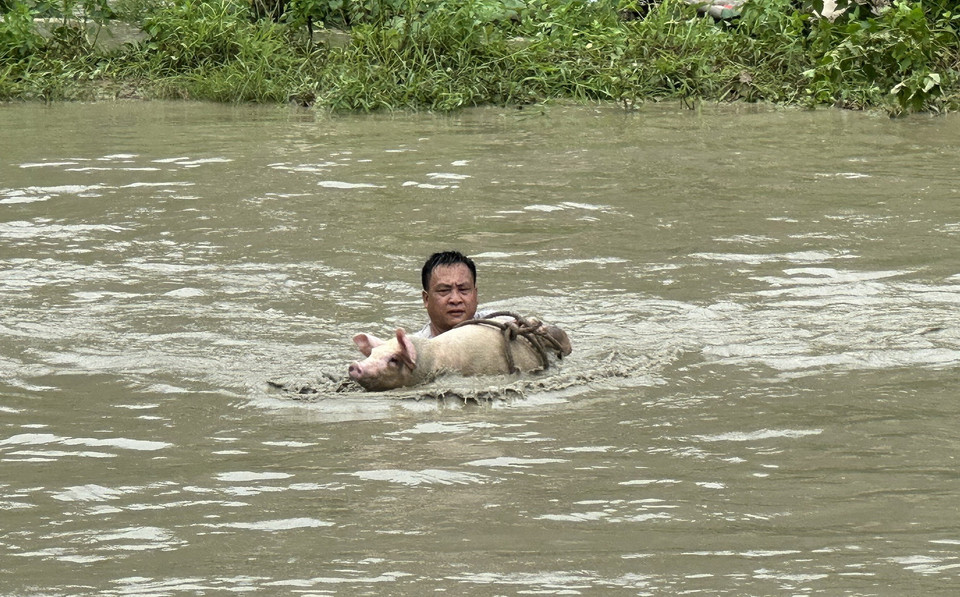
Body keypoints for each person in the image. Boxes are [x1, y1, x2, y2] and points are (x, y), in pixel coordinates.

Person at [414, 251, 488, 339]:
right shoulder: (413, 349)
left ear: (475, 295)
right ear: (426, 299)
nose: (455, 300)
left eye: (463, 289)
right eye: (444, 290)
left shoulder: (498, 327)